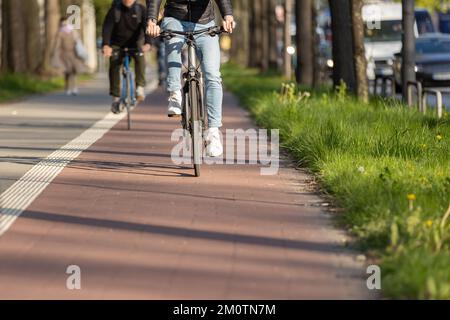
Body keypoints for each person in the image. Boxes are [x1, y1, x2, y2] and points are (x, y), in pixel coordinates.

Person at [146, 0, 235, 157]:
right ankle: (175, 94)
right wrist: (152, 20)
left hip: (205, 23)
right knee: (172, 46)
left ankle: (213, 131)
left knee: (213, 76)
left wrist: (227, 15)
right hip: (175, 19)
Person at [102, 0, 152, 114]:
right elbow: (107, 28)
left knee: (140, 58)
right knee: (114, 63)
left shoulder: (140, 10)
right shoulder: (115, 10)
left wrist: (148, 43)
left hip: (135, 44)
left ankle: (140, 87)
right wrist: (106, 45)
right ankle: (115, 97)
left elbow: (146, 27)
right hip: (117, 44)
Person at [52, 17, 86, 96]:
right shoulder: (60, 33)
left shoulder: (73, 31)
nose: (64, 24)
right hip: (64, 55)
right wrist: (56, 53)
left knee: (74, 72)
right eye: (63, 23)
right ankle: (67, 88)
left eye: (66, 22)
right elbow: (57, 44)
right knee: (67, 72)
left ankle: (74, 88)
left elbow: (77, 41)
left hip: (74, 54)